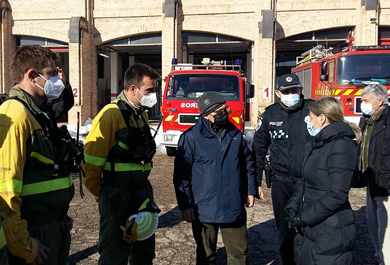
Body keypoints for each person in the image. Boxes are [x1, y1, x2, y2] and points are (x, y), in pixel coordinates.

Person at [0, 45, 75, 265]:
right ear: (32, 75)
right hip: (33, 233)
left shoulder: (38, 113)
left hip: (52, 225)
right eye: (51, 74)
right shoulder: (14, 113)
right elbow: (5, 190)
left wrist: (58, 214)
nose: (56, 81)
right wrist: (24, 244)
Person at [82, 63, 160, 265]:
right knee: (114, 254)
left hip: (142, 194)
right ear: (133, 89)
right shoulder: (111, 115)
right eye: (149, 90)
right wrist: (102, 193)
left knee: (143, 253)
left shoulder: (140, 114)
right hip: (118, 196)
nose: (153, 95)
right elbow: (90, 164)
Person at [173, 91, 256, 265]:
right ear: (206, 114)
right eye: (219, 111)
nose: (225, 113)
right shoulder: (190, 138)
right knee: (206, 255)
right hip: (203, 208)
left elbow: (247, 161)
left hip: (233, 205)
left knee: (239, 254)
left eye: (225, 108)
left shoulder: (235, 133)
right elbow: (181, 175)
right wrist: (185, 205)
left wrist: (250, 190)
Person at [284, 97, 361, 265]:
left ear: (322, 118)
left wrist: (303, 218)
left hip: (329, 230)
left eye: (310, 117)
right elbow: (306, 180)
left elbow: (336, 195)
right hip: (312, 227)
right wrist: (293, 205)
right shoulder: (319, 143)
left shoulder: (342, 146)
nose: (308, 122)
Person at [252, 73, 313, 265]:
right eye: (286, 91)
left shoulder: (313, 110)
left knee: (310, 225)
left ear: (301, 90)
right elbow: (258, 148)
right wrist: (256, 181)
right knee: (285, 227)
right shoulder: (270, 114)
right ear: (278, 93)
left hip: (310, 180)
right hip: (282, 181)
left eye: (294, 90)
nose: (291, 94)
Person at [358, 84, 390, 265]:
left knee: (386, 230)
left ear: (379, 102)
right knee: (373, 223)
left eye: (365, 101)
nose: (362, 104)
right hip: (371, 180)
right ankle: (379, 256)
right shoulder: (367, 120)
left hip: (386, 183)